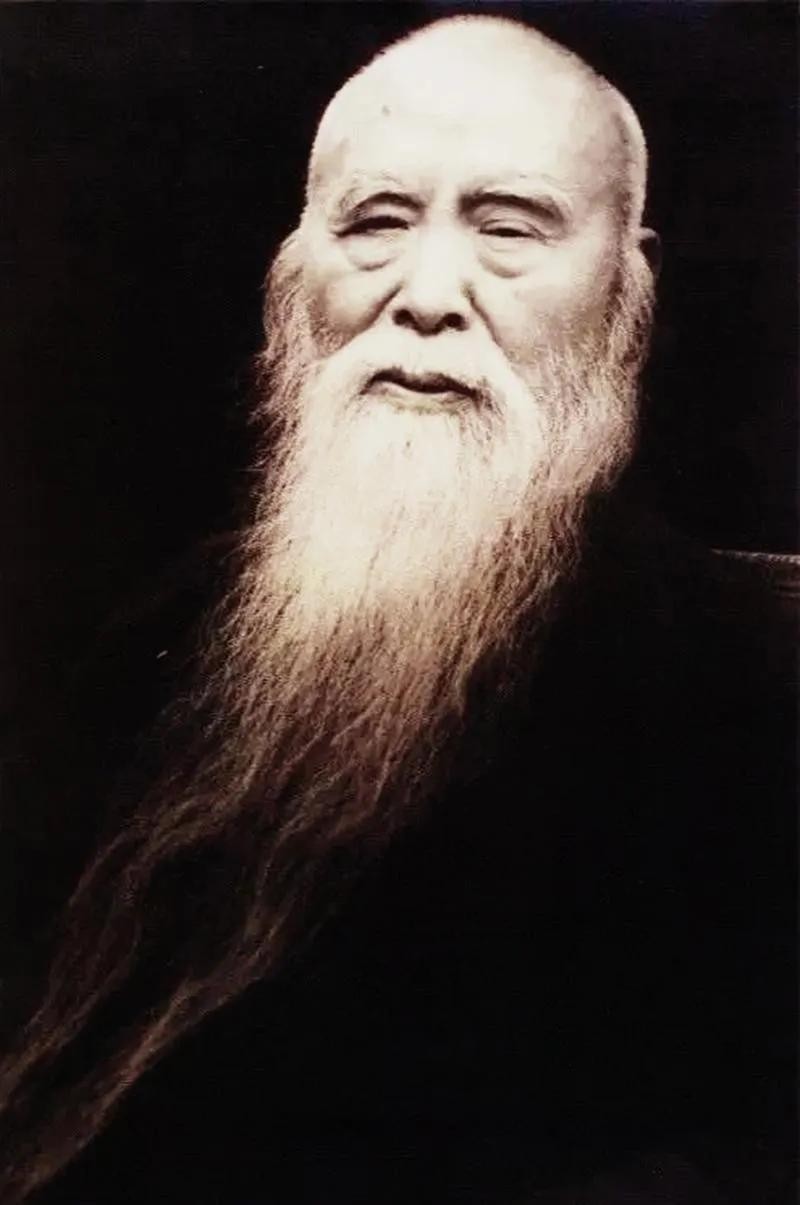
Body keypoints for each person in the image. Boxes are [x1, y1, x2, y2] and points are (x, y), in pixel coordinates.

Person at [0, 14, 795, 1204]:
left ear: (625, 291)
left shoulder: (741, 688)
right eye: (375, 222)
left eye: (508, 228)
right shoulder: (163, 632)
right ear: (293, 275)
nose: (426, 297)